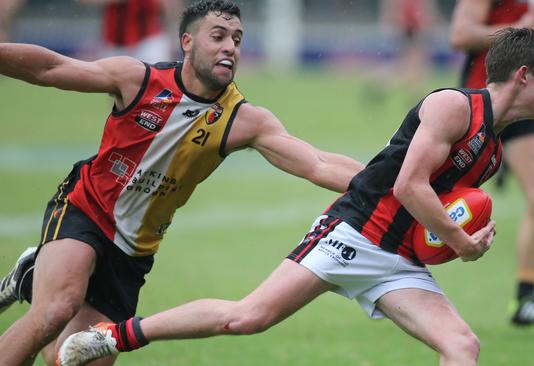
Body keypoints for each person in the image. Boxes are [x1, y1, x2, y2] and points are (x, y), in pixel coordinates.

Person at [58, 27, 534, 366]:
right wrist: (460, 239)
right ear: (523, 76)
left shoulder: (493, 152)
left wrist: (450, 242)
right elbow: (410, 187)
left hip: (399, 261)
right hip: (352, 232)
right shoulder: (453, 106)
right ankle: (110, 336)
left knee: (461, 345)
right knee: (248, 317)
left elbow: (428, 221)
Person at [0, 1, 364, 365]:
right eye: (218, 37)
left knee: (63, 356)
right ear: (187, 42)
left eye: (236, 40)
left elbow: (318, 163)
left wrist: (391, 186)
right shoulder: (137, 79)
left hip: (133, 251)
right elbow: (51, 67)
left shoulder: (244, 119)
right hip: (86, 208)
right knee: (54, 312)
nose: (229, 48)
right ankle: (43, 282)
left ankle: (31, 278)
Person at [450, 0, 534, 328]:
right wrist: (519, 34)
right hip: (486, 99)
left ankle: (526, 297)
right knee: (438, 190)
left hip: (528, 101)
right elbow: (460, 34)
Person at [78, 0, 183, 63]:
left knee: (157, 87)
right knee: (117, 91)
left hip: (148, 41)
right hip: (116, 43)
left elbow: (170, 6)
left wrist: (172, 38)